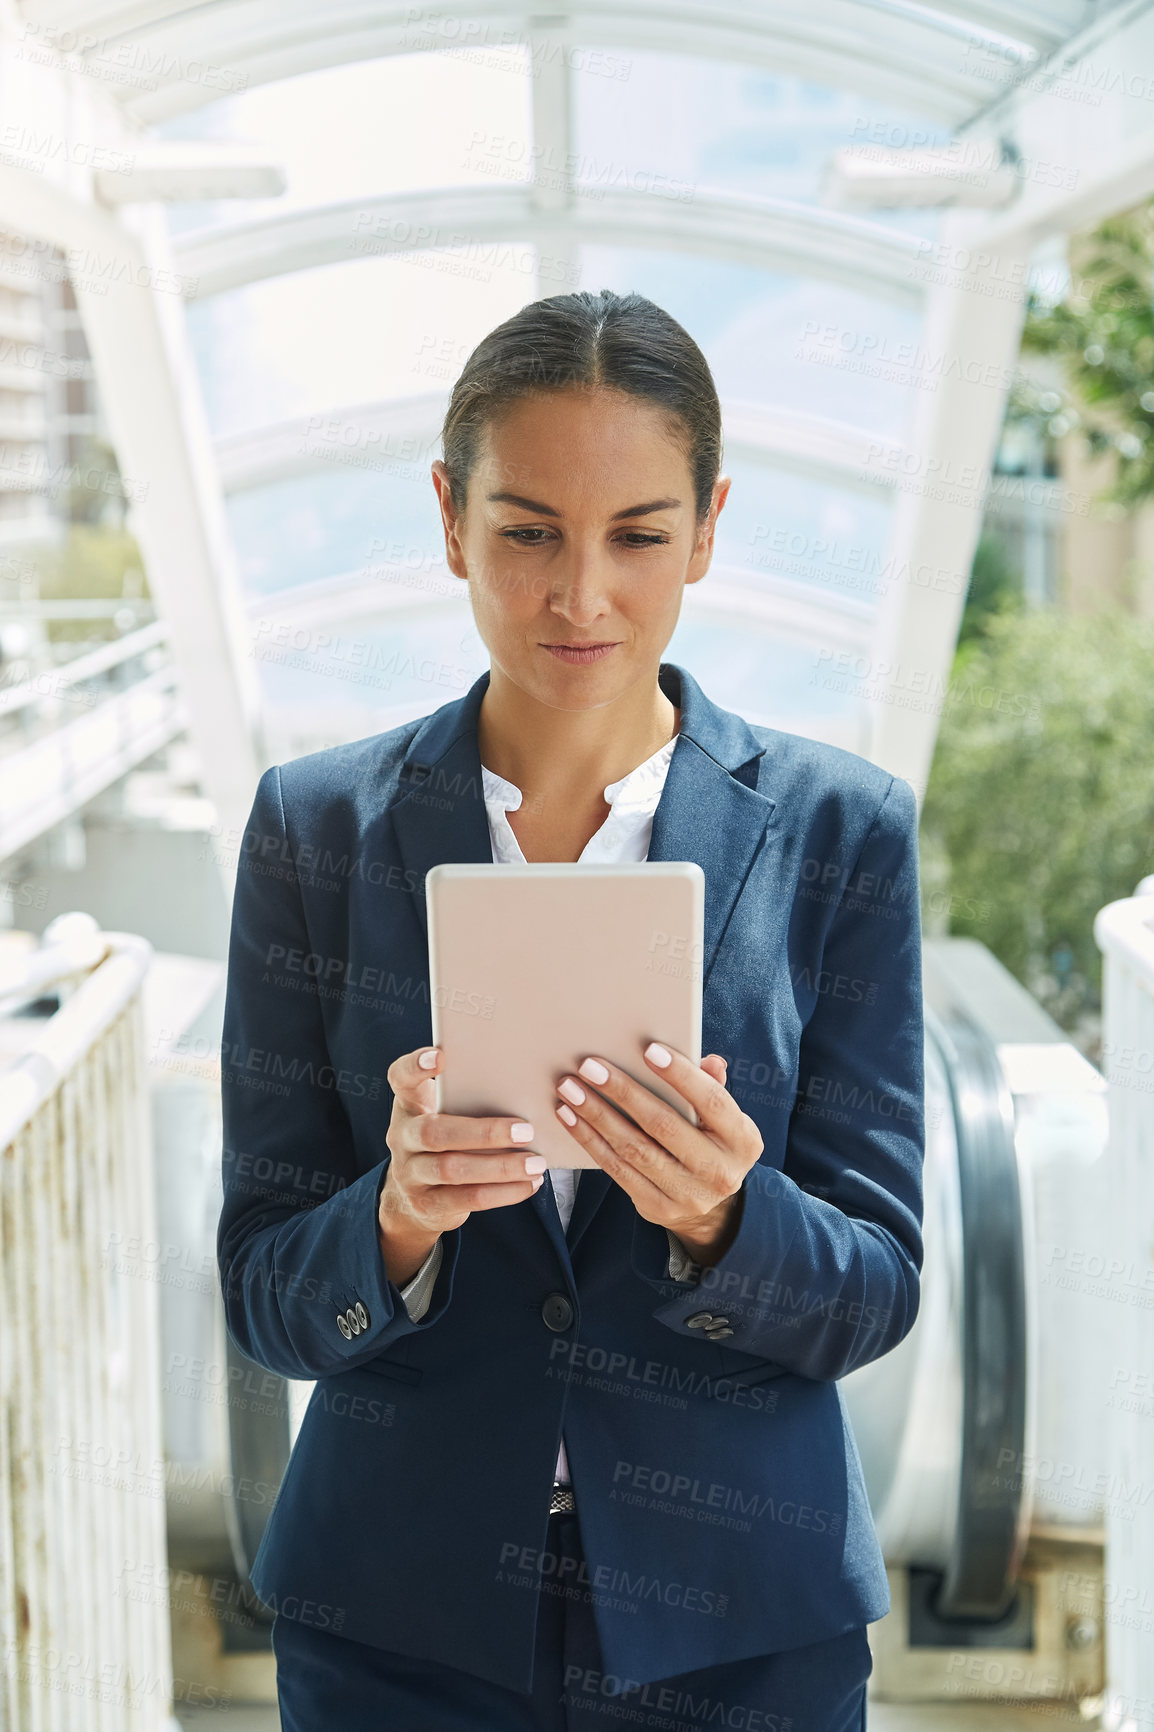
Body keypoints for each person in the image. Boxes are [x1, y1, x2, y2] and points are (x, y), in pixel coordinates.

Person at [217, 288, 925, 1732]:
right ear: (448, 516)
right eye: (528, 529)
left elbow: (874, 1289)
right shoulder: (315, 829)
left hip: (742, 1636)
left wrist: (732, 1217)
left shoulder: (843, 832)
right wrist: (397, 1217)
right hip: (396, 1631)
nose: (580, 594)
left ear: (709, 528)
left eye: (639, 535)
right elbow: (263, 1294)